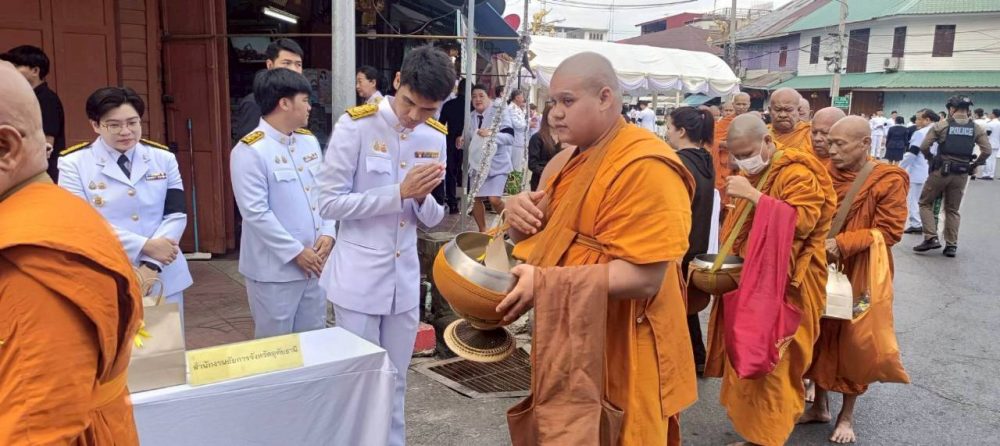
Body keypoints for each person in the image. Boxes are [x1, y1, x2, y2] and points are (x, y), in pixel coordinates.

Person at [499, 51, 696, 445]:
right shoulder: (562, 163)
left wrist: (547, 284)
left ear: (605, 97)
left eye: (567, 101)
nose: (555, 113)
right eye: (552, 102)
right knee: (565, 426)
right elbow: (539, 242)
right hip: (570, 329)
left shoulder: (647, 165)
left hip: (627, 336)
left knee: (625, 431)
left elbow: (646, 277)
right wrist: (517, 217)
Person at [0, 61, 142, 446]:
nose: (125, 131)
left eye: (131, 122)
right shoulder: (44, 214)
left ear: (5, 148)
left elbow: (33, 432)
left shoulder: (30, 264)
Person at [317, 46, 451, 446]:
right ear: (397, 81)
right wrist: (398, 193)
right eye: (409, 103)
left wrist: (421, 199)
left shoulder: (434, 136)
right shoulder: (356, 127)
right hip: (358, 281)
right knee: (360, 384)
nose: (414, 116)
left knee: (396, 380)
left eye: (428, 110)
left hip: (404, 283)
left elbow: (433, 217)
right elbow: (329, 203)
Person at [705, 114, 836, 446]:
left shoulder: (796, 172)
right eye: (736, 156)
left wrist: (755, 197)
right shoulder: (755, 173)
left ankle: (768, 439)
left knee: (777, 362)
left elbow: (803, 222)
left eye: (748, 153)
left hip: (790, 284)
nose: (742, 161)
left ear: (767, 141)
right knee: (750, 355)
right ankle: (756, 435)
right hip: (755, 280)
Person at [799, 116, 908, 444]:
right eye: (828, 142)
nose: (830, 149)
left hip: (862, 269)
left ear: (865, 144)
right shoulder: (823, 172)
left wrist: (842, 243)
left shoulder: (888, 179)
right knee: (819, 334)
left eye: (839, 144)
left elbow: (890, 231)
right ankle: (819, 405)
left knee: (854, 341)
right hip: (823, 267)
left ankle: (846, 416)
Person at [58, 87, 192, 320]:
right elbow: (81, 223)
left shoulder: (163, 158)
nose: (126, 131)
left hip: (163, 275)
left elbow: (176, 213)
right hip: (106, 273)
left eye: (132, 122)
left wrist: (151, 265)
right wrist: (145, 245)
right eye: (114, 125)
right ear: (95, 125)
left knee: (164, 342)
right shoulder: (74, 164)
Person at [229, 68, 334, 339]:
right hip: (275, 271)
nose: (309, 107)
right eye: (304, 100)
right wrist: (296, 252)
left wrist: (328, 232)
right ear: (284, 103)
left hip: (315, 264)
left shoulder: (308, 141)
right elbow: (256, 213)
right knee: (276, 347)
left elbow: (323, 192)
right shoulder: (250, 151)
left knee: (314, 340)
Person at [667, 106, 719, 375]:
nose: (667, 133)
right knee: (686, 306)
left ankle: (681, 361)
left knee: (674, 306)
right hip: (698, 241)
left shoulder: (680, 163)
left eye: (669, 127)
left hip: (680, 244)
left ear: (681, 131)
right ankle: (697, 356)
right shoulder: (705, 159)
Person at [915, 95, 992, 257]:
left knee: (925, 202)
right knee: (952, 210)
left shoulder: (941, 125)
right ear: (968, 110)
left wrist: (930, 159)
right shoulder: (976, 128)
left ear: (951, 109)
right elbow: (987, 150)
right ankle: (951, 245)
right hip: (962, 173)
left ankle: (931, 237)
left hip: (941, 171)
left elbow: (924, 146)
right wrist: (974, 165)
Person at [1, 45, 64, 182]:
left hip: (41, 176)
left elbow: (46, 145)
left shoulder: (46, 99)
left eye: (16, 66)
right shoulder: (26, 97)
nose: (11, 71)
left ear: (35, 70)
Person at [233, 38, 304, 140]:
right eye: (286, 63)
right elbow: (249, 146)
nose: (293, 69)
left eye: (298, 64)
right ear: (270, 65)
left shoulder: (300, 100)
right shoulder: (255, 103)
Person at [466, 83, 513, 232]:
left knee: (494, 199)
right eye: (474, 96)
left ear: (489, 97)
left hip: (497, 163)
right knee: (475, 199)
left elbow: (509, 137)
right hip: (478, 164)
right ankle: (483, 230)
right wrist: (462, 140)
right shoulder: (471, 116)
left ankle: (510, 225)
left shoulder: (499, 111)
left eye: (481, 96)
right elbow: (470, 137)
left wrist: (491, 135)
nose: (477, 99)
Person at [901, 109, 940, 234]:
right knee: (928, 201)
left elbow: (912, 153)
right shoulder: (940, 131)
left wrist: (900, 167)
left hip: (919, 170)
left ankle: (916, 223)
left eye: (918, 119)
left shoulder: (920, 133)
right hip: (934, 170)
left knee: (914, 199)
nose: (916, 121)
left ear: (927, 120)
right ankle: (929, 224)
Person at [436, 78, 466, 213]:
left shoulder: (449, 105)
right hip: (468, 142)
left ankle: (452, 203)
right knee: (466, 172)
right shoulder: (471, 106)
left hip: (450, 141)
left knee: (451, 173)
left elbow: (440, 125)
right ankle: (469, 202)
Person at [527, 101, 572, 191]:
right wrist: (549, 173)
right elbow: (532, 164)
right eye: (553, 116)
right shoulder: (537, 138)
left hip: (560, 183)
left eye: (558, 117)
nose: (556, 119)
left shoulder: (565, 138)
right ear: (546, 117)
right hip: (541, 183)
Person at [768, 88, 813, 153]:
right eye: (778, 110)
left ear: (798, 110)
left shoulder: (809, 133)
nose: (783, 115)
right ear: (770, 110)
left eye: (788, 110)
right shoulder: (762, 134)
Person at [509, 90, 530, 172]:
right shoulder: (512, 108)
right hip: (516, 141)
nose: (523, 99)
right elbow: (517, 125)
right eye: (522, 97)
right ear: (517, 98)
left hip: (521, 141)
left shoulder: (517, 108)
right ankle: (513, 181)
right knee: (515, 167)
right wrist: (528, 123)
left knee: (519, 166)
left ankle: (516, 180)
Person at [973, 108, 990, 179]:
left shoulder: (974, 122)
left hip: (975, 141)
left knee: (974, 157)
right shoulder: (986, 122)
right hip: (983, 141)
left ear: (976, 114)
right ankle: (980, 174)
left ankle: (973, 173)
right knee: (981, 156)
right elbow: (988, 132)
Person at [984, 109, 1000, 180]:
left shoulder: (990, 123)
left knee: (988, 159)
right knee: (993, 160)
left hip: (990, 143)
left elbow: (987, 134)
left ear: (993, 114)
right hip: (997, 144)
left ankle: (986, 174)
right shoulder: (999, 123)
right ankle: (991, 175)